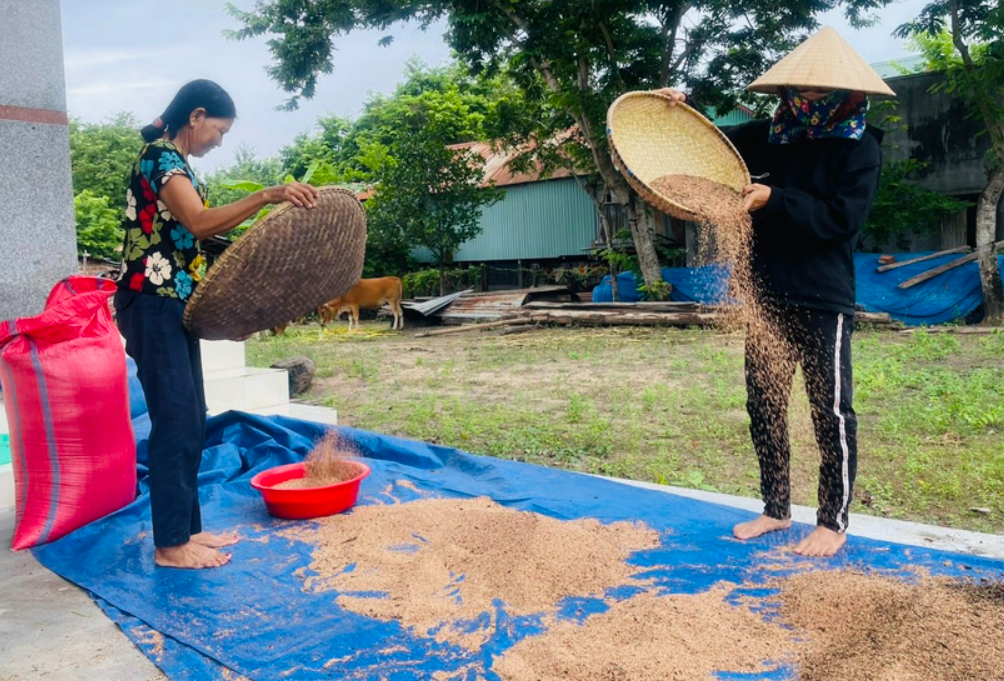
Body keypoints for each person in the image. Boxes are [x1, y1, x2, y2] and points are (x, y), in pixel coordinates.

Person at [657, 27, 894, 557]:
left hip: (821, 296)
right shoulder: (766, 136)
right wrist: (674, 110)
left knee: (829, 410)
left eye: (818, 91)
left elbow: (841, 220)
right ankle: (776, 509)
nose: (807, 99)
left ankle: (832, 521)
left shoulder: (860, 146)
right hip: (764, 295)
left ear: (846, 92)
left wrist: (775, 200)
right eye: (800, 89)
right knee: (763, 404)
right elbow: (703, 151)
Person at [115, 79, 319, 569]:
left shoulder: (180, 166)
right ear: (197, 115)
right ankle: (169, 545)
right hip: (149, 302)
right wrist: (269, 195)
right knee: (175, 421)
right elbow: (203, 223)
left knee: (193, 416)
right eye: (219, 131)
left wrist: (245, 310)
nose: (218, 141)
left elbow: (199, 250)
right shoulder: (159, 157)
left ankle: (187, 531)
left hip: (174, 306)